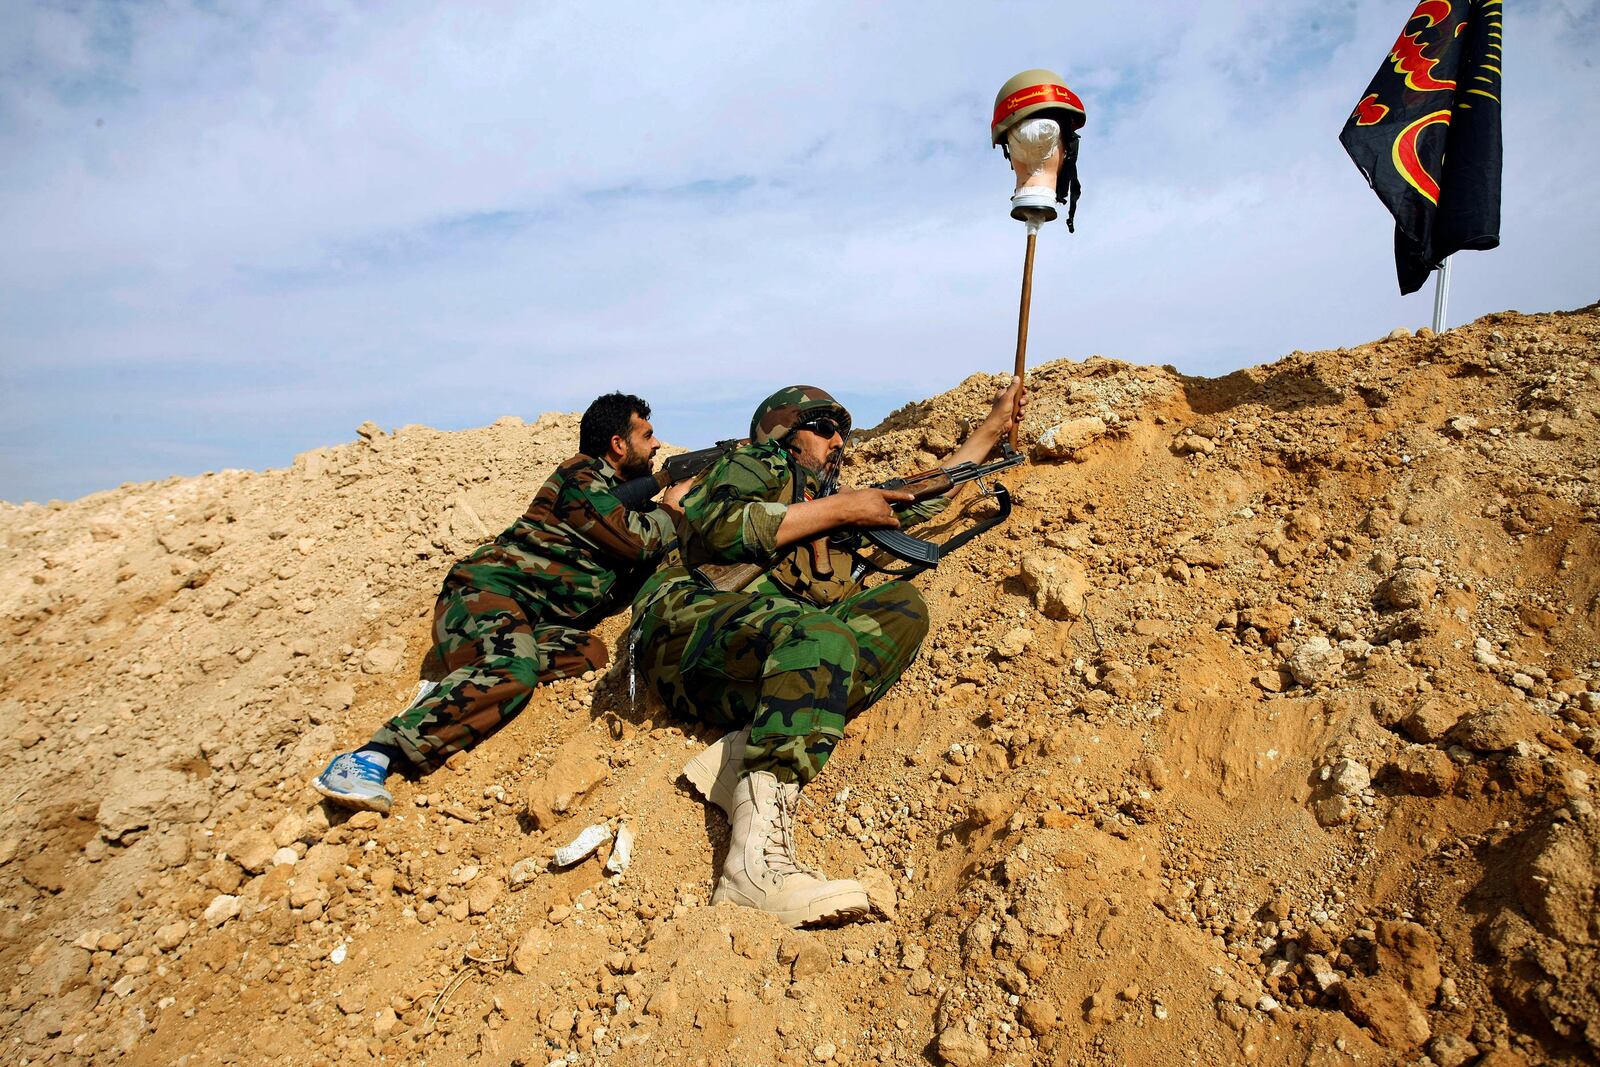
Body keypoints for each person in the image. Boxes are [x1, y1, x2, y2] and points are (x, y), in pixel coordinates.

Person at [632, 378, 1026, 926]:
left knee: (902, 608)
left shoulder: (824, 499)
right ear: (784, 434)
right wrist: (840, 512)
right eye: (823, 429)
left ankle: (751, 750)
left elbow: (915, 497)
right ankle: (749, 872)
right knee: (822, 636)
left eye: (843, 431)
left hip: (757, 656)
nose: (838, 440)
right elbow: (721, 526)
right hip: (685, 629)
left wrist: (990, 430)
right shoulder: (756, 464)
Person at [314, 392, 688, 813]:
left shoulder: (622, 495)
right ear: (619, 444)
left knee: (588, 652)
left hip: (525, 616)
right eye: (648, 435)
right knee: (515, 667)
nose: (657, 444)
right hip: (483, 592)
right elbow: (635, 541)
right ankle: (371, 756)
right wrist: (673, 510)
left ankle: (467, 683)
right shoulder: (578, 477)